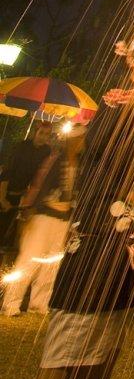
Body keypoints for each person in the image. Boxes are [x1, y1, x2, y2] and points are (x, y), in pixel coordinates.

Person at [27, 29, 134, 379]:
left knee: (100, 365)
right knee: (61, 367)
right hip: (94, 255)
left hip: (124, 257)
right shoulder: (118, 107)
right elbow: (107, 155)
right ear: (132, 61)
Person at [2, 123, 82, 316]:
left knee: (51, 263)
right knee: (30, 258)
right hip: (42, 216)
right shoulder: (55, 159)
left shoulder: (79, 164)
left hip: (62, 219)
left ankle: (39, 302)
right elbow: (39, 185)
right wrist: (33, 208)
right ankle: (11, 303)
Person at [0, 122, 53, 250]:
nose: (43, 137)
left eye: (47, 134)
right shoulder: (21, 147)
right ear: (36, 132)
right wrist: (2, 199)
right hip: (4, 191)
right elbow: (7, 173)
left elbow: (40, 176)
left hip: (18, 196)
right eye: (41, 133)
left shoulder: (46, 151)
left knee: (4, 229)